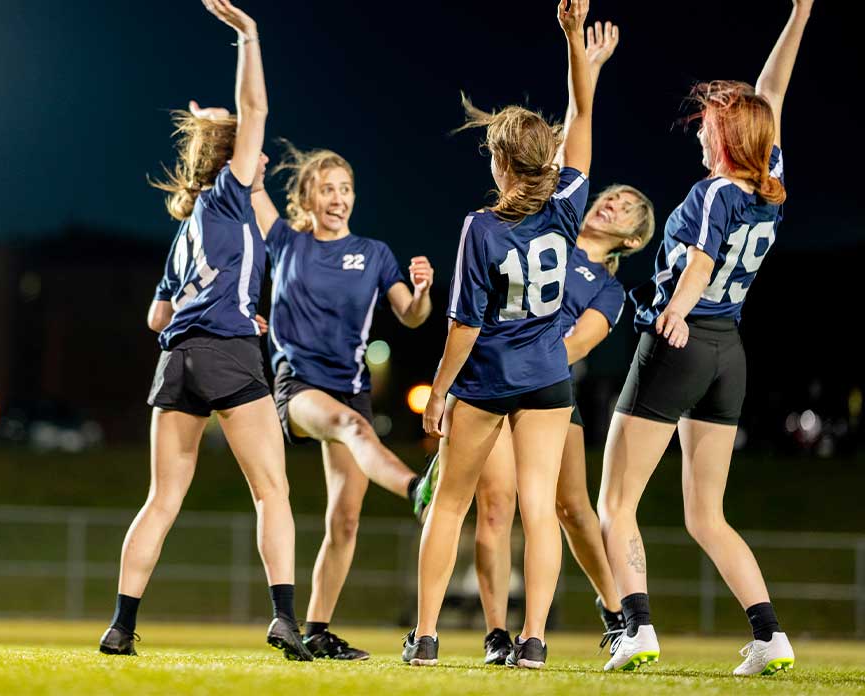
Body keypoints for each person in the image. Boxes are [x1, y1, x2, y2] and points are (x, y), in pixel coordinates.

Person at [598, 0, 812, 675]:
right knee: (705, 515)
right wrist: (799, 13)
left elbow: (698, 261)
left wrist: (677, 311)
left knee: (615, 501)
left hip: (687, 340)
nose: (700, 133)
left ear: (726, 137)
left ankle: (635, 628)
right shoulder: (768, 180)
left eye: (709, 125)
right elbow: (770, 91)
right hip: (730, 354)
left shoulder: (719, 191)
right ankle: (771, 634)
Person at [98, 0, 312, 661]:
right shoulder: (228, 192)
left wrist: (221, 301)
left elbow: (156, 317)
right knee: (271, 490)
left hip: (176, 359)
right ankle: (284, 618)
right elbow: (259, 111)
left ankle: (121, 626)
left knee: (162, 498)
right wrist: (248, 37)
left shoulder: (187, 228)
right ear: (235, 157)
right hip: (225, 353)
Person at [402, 0, 597, 670]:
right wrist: (574, 43)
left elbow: (464, 326)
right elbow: (583, 119)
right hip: (547, 377)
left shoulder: (481, 226)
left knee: (449, 506)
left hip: (488, 380)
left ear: (501, 162)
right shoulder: (569, 204)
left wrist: (438, 394)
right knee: (539, 510)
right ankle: (534, 640)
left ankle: (425, 637)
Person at [461, 22, 655, 665]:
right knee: (497, 505)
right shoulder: (552, 223)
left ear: (632, 240)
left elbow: (576, 347)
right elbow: (569, 133)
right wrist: (582, 60)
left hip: (543, 387)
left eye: (628, 209)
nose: (614, 203)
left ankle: (617, 612)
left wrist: (525, 358)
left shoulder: (606, 288)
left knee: (569, 506)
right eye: (614, 195)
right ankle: (498, 632)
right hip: (498, 379)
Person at [247, 141, 434, 660]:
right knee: (354, 428)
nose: (338, 198)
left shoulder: (374, 254)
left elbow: (411, 316)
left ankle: (316, 630)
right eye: (327, 189)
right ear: (307, 197)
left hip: (350, 388)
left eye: (345, 189)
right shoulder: (285, 240)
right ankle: (420, 490)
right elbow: (252, 187)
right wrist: (250, 163)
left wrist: (421, 293)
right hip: (299, 387)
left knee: (345, 520)